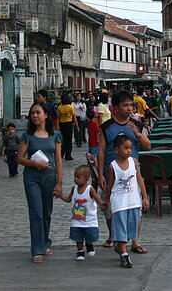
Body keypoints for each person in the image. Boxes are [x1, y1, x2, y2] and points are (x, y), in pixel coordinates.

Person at [98, 89, 151, 254]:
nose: (129, 109)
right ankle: (113, 235)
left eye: (131, 105)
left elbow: (147, 145)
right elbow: (101, 151)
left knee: (135, 207)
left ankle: (135, 241)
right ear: (115, 107)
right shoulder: (106, 127)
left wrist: (137, 134)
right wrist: (100, 174)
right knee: (111, 206)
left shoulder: (137, 125)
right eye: (125, 105)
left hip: (132, 173)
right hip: (112, 171)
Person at [17, 102, 63, 263]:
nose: (35, 116)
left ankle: (45, 242)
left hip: (49, 177)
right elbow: (20, 158)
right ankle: (37, 249)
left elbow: (58, 159)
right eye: (32, 113)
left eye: (38, 112)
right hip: (32, 178)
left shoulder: (55, 135)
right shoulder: (27, 136)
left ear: (45, 115)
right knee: (36, 212)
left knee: (46, 212)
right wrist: (34, 164)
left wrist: (59, 182)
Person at [106, 134, 149, 269]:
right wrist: (106, 201)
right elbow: (110, 185)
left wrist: (144, 196)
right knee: (120, 227)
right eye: (125, 148)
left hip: (133, 201)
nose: (129, 151)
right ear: (117, 149)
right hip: (119, 202)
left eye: (130, 148)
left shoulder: (134, 162)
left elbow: (139, 179)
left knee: (132, 225)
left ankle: (121, 246)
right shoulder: (113, 166)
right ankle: (124, 253)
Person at [56, 165, 107, 261]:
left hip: (89, 220)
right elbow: (68, 199)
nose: (75, 179)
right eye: (75, 176)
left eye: (78, 177)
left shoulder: (90, 189)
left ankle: (89, 243)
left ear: (86, 178)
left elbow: (97, 199)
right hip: (77, 219)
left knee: (89, 235)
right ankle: (80, 251)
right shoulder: (74, 189)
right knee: (78, 237)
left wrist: (102, 204)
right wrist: (60, 196)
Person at [57, 94, 76, 161]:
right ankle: (68, 155)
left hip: (62, 124)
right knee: (69, 140)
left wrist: (57, 126)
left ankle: (61, 154)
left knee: (63, 140)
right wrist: (77, 125)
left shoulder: (59, 107)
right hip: (68, 123)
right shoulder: (70, 107)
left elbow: (58, 117)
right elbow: (74, 116)